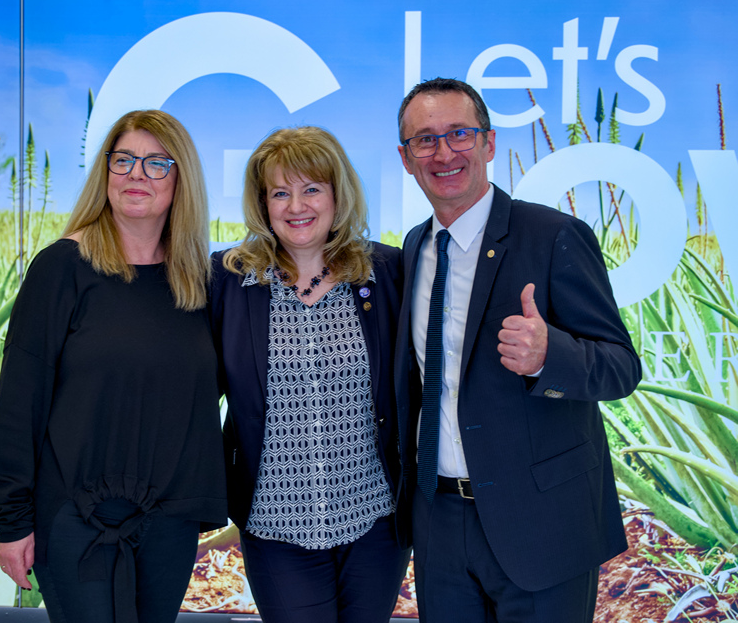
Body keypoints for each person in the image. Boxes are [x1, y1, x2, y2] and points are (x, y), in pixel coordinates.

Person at [393, 77, 641, 622]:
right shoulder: (413, 248)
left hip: (541, 525)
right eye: (425, 140)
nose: (444, 152)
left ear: (488, 143)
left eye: (459, 133)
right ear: (406, 159)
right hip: (438, 524)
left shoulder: (554, 235)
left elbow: (622, 367)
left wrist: (550, 355)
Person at [0, 109, 227, 623]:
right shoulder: (61, 268)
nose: (137, 174)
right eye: (124, 160)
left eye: (157, 163)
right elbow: (20, 399)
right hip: (76, 516)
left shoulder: (199, 281)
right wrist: (11, 519)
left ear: (181, 180)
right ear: (106, 172)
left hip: (169, 521)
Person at [209, 126, 412, 623]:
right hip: (274, 521)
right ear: (263, 204)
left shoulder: (387, 272)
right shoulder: (227, 280)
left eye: (312, 189)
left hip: (374, 518)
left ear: (338, 195)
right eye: (280, 192)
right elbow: (192, 388)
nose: (296, 206)